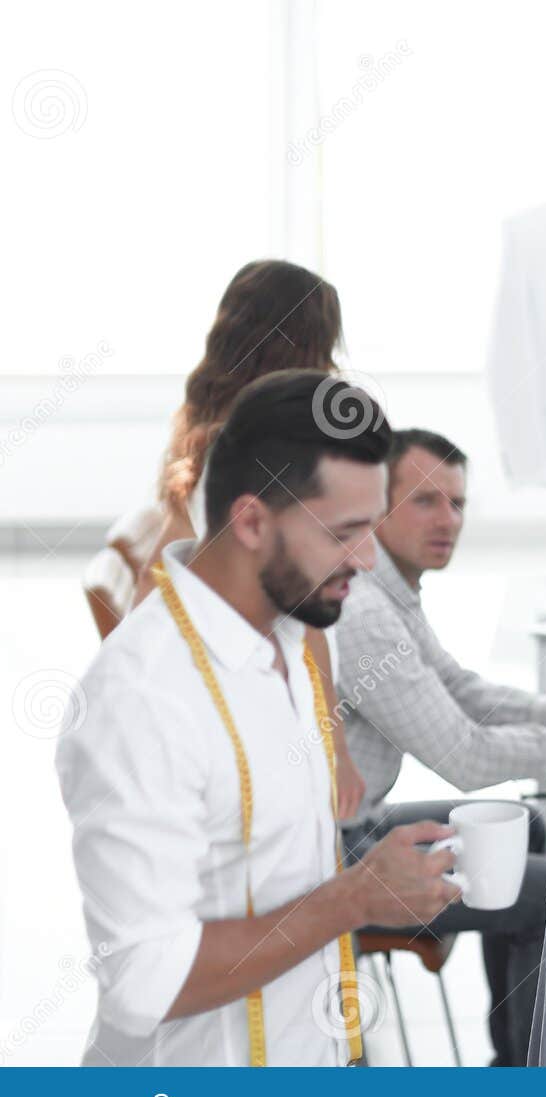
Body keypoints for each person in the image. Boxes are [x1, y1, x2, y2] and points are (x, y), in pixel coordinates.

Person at [57, 371, 459, 1066]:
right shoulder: (142, 698)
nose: (366, 559)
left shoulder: (295, 631)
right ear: (249, 521)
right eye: (345, 533)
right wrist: (354, 900)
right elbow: (143, 981)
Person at [334, 427, 546, 1065]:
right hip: (333, 856)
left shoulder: (391, 590)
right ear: (377, 503)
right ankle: (525, 1078)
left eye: (458, 503)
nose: (448, 519)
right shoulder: (364, 612)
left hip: (353, 825)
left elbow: (459, 688)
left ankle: (512, 1051)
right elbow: (466, 758)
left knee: (521, 826)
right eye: (425, 500)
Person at [134, 259, 366, 820]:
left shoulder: (201, 430)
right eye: (326, 347)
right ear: (306, 351)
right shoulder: (270, 454)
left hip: (220, 690)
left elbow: (160, 574)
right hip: (257, 713)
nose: (333, 365)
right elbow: (303, 613)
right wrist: (335, 749)